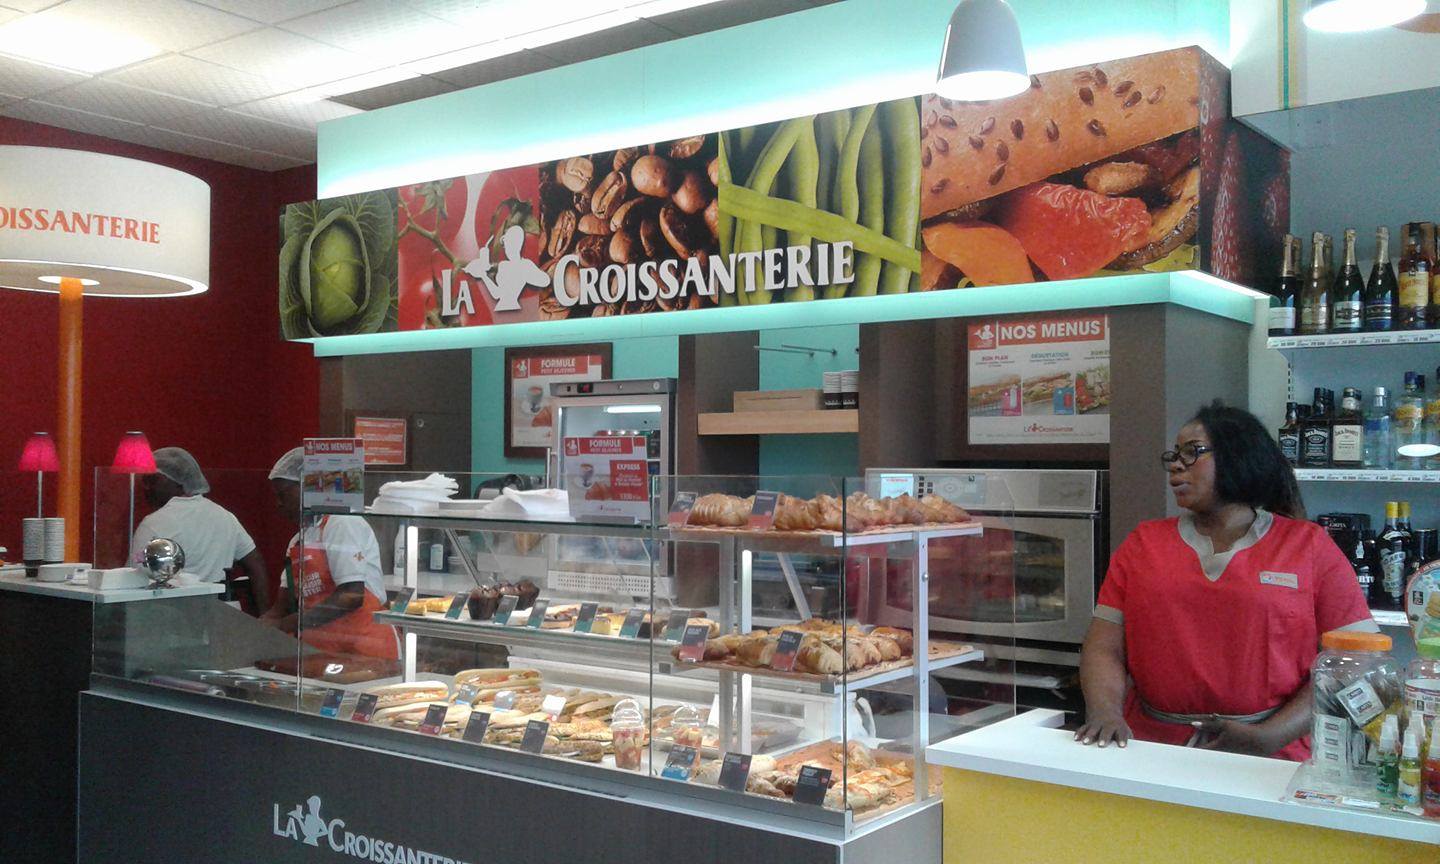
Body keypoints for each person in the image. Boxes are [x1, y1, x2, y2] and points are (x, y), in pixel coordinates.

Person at [1075, 402, 1375, 761]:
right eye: (1174, 455)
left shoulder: (1307, 545)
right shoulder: (1144, 543)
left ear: (1240, 456)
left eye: (1193, 452)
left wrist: (1271, 735)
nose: (1177, 464)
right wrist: (1105, 712)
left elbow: (1356, 658)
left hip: (1273, 753)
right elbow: (1104, 647)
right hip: (1150, 747)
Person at [260, 447, 397, 660]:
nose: (279, 504)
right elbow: (281, 605)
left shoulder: (342, 522)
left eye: (283, 495)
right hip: (323, 649)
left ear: (308, 486)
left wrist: (291, 623)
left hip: (364, 646)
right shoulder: (298, 540)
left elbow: (352, 595)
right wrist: (260, 626)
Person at [129, 446, 269, 613]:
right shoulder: (225, 516)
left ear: (177, 482)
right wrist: (264, 617)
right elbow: (255, 564)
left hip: (176, 614)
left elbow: (134, 578)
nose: (146, 488)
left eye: (152, 481)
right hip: (224, 613)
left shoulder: (154, 523)